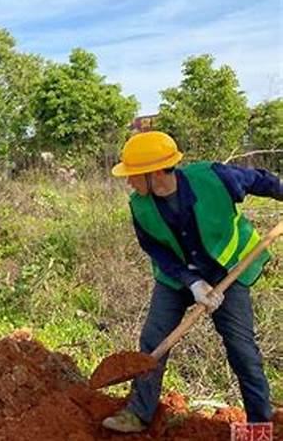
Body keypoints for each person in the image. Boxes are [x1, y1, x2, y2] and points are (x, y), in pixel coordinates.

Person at [103, 131, 282, 433]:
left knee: (242, 349)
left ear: (155, 173)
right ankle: (137, 413)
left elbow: (257, 181)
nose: (128, 182)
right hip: (177, 277)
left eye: (133, 175)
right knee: (153, 339)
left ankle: (257, 425)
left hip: (229, 269)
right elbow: (155, 249)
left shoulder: (214, 178)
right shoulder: (140, 205)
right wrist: (192, 283)